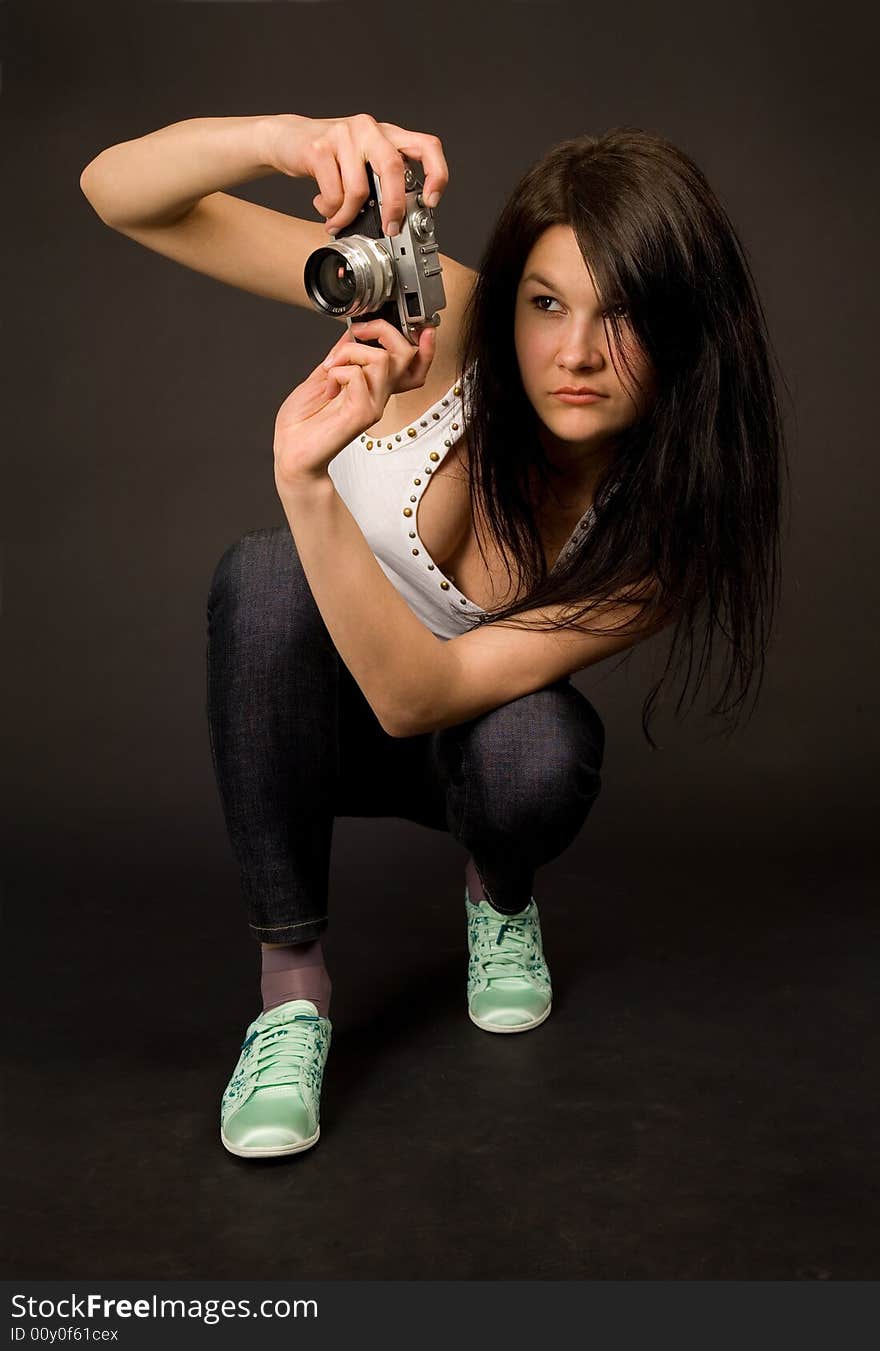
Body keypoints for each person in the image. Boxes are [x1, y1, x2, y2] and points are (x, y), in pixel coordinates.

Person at [79, 112, 785, 1160]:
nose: (576, 352)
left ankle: (497, 894)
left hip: (454, 742)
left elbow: (419, 699)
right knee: (265, 580)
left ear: (684, 329)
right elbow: (117, 190)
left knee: (540, 748)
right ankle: (291, 998)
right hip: (302, 718)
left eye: (623, 314)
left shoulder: (664, 535)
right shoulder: (443, 319)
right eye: (546, 305)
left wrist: (305, 483)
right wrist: (285, 138)